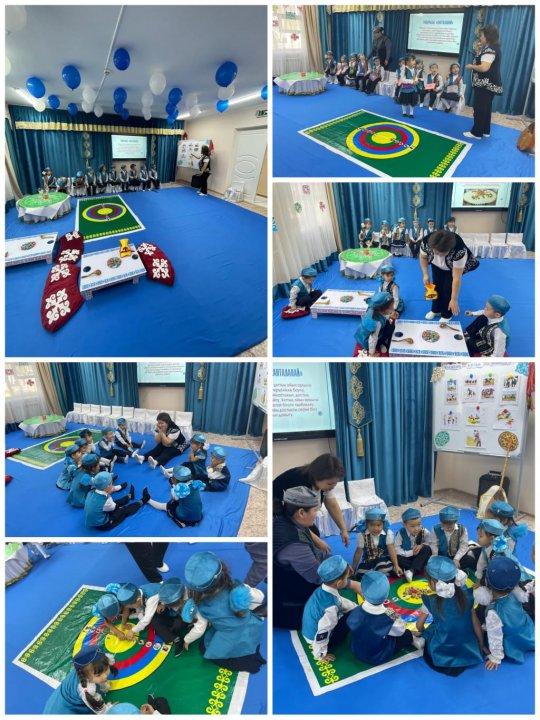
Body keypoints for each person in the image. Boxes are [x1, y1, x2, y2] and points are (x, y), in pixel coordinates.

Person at [182, 551, 266, 672]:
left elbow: (199, 629)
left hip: (228, 638)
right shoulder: (238, 588)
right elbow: (260, 597)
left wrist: (187, 640)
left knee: (205, 648)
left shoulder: (200, 606)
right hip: (251, 629)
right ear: (224, 571)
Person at [273, 486, 330, 628]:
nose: (317, 514)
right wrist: (346, 580)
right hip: (290, 605)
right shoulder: (295, 544)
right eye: (315, 510)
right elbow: (318, 577)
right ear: (301, 513)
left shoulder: (286, 519)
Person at [416, 556, 483, 675]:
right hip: (466, 648)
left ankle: (423, 640)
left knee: (432, 628)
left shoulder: (431, 600)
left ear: (433, 583)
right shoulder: (467, 595)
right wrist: (480, 644)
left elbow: (419, 625)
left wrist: (423, 632)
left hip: (442, 652)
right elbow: (475, 623)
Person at [273, 454, 350, 548]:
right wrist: (317, 541)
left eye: (335, 483)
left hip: (294, 517)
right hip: (277, 513)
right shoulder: (300, 486)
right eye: (330, 484)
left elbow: (332, 504)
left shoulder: (324, 483)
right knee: (307, 542)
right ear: (317, 477)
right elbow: (294, 519)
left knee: (314, 534)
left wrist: (343, 529)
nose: (333, 487)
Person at [348, 571, 423, 665]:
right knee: (405, 635)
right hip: (377, 655)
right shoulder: (388, 614)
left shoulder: (356, 609)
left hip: (357, 649)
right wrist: (395, 616)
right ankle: (413, 639)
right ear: (386, 595)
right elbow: (401, 630)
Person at [472, 556, 534, 668]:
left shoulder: (493, 613)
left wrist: (496, 657)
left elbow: (495, 636)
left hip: (510, 641)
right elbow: (526, 591)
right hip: (526, 630)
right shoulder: (517, 593)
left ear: (487, 583)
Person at [302, 555, 359, 661]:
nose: (348, 580)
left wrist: (356, 607)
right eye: (346, 578)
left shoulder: (322, 590)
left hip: (308, 631)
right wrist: (320, 654)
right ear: (340, 583)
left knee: (354, 610)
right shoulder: (330, 608)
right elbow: (323, 631)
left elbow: (340, 601)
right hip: (316, 639)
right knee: (353, 616)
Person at [419, 229, 479, 322]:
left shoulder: (459, 251)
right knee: (436, 287)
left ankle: (447, 314)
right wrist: (425, 274)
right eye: (436, 252)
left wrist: (454, 299)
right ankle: (436, 310)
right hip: (436, 265)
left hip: (452, 268)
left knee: (448, 289)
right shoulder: (426, 242)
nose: (438, 255)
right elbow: (423, 257)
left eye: (441, 253)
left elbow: (456, 278)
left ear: (449, 249)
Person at [43, 647, 116, 713]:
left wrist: (103, 685)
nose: (104, 676)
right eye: (98, 675)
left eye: (106, 669)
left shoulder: (86, 670)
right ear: (87, 676)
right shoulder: (86, 689)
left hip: (59, 697)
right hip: (60, 711)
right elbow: (98, 709)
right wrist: (108, 710)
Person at [464, 25, 503, 139]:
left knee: (480, 108)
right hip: (489, 84)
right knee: (486, 108)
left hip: (485, 85)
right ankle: (485, 130)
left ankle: (476, 133)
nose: (480, 37)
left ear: (487, 36)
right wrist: (480, 50)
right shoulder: (493, 48)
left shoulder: (490, 50)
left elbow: (484, 68)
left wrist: (471, 66)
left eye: (481, 35)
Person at [352, 508, 402, 578]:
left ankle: (377, 574)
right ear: (367, 524)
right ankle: (378, 573)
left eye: (378, 525)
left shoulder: (388, 533)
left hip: (383, 560)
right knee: (360, 572)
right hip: (369, 561)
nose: (375, 528)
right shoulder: (362, 535)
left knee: (383, 567)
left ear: (383, 524)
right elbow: (358, 553)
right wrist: (353, 568)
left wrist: (396, 565)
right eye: (372, 525)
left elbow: (391, 550)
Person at [394, 508, 433, 581]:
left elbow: (430, 541)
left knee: (427, 549)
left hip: (418, 556)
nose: (416, 529)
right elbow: (396, 549)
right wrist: (411, 553)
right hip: (406, 557)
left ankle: (410, 570)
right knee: (396, 557)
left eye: (419, 524)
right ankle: (416, 568)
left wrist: (421, 545)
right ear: (404, 525)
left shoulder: (423, 531)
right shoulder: (400, 533)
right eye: (412, 526)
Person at [353, 291, 395, 357]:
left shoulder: (373, 308)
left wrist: (389, 316)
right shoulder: (377, 323)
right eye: (391, 308)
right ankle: (379, 344)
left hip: (362, 335)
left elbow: (383, 315)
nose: (393, 309)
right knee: (390, 327)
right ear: (383, 309)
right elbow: (373, 339)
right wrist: (372, 353)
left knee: (387, 322)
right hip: (366, 341)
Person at [474, 518, 506, 583]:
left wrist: (479, 581)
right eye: (478, 535)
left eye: (480, 536)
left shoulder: (495, 554)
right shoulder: (490, 546)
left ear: (492, 538)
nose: (477, 539)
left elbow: (481, 564)